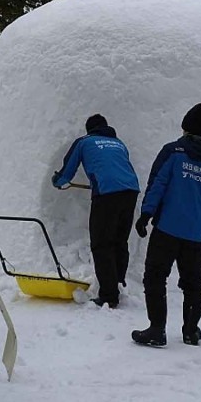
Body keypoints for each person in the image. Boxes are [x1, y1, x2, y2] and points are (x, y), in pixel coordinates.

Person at [131, 103, 201, 347]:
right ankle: (190, 330)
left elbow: (158, 184)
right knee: (193, 283)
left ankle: (156, 329)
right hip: (195, 235)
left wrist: (146, 214)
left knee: (155, 277)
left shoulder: (173, 152)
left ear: (185, 127)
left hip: (167, 229)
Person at [51, 114, 140, 308]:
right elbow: (116, 167)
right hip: (131, 191)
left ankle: (109, 295)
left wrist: (58, 181)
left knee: (102, 244)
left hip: (107, 194)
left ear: (89, 129)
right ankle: (118, 282)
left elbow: (68, 170)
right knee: (119, 240)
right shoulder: (118, 143)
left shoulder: (84, 142)